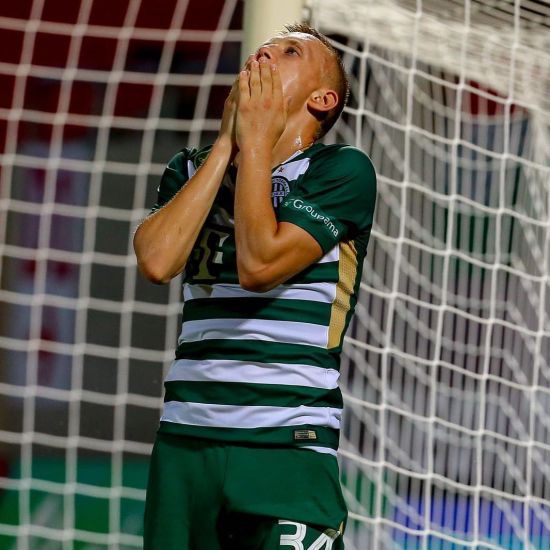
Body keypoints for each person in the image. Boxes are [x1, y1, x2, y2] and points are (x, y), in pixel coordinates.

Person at [134, 22, 377, 550]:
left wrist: (258, 144)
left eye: (288, 52)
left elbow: (260, 265)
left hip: (286, 446)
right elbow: (156, 260)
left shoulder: (341, 170)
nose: (263, 56)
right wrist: (227, 144)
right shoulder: (191, 168)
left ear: (323, 99)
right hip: (186, 443)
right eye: (261, 51)